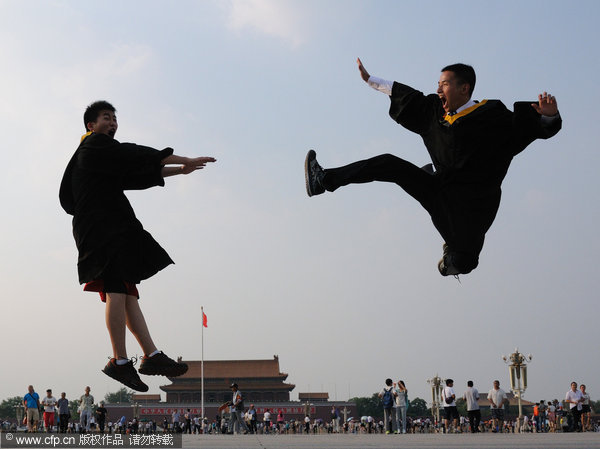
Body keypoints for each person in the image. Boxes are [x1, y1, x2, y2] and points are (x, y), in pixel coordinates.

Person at [305, 59, 561, 276]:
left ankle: (451, 259)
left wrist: (548, 116)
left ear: (464, 88)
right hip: (440, 192)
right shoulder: (435, 114)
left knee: (465, 262)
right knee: (390, 163)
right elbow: (408, 98)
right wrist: (371, 80)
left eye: (445, 84)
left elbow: (523, 129)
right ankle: (323, 180)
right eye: (438, 84)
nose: (438, 89)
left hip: (469, 210)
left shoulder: (491, 117)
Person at [60, 101, 216, 391]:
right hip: (99, 229)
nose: (113, 122)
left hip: (114, 226)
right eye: (106, 117)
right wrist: (178, 157)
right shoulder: (93, 146)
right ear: (91, 126)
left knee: (127, 288)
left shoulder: (102, 158)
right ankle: (119, 360)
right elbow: (132, 153)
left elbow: (135, 174)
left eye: (115, 118)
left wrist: (179, 171)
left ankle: (151, 355)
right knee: (117, 289)